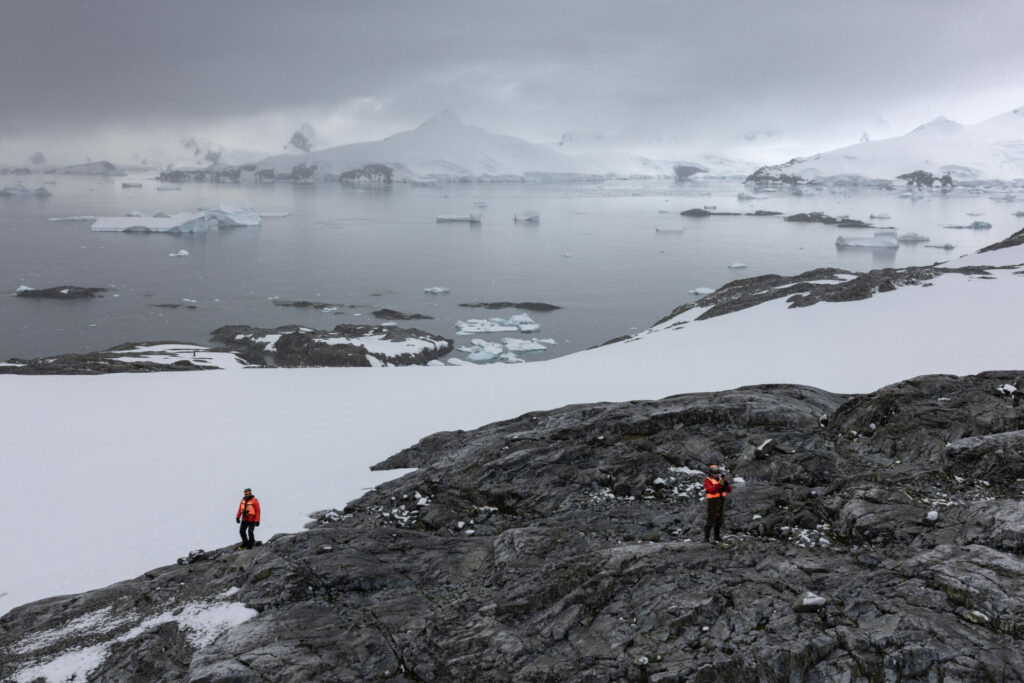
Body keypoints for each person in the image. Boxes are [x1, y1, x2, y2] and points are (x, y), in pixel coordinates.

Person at [703, 465, 732, 543]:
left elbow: (729, 490)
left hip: (721, 501)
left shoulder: (720, 480)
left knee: (720, 520)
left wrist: (726, 483)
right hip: (713, 502)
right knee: (711, 520)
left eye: (717, 472)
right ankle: (706, 538)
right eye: (715, 473)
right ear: (711, 473)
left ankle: (717, 536)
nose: (716, 474)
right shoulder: (707, 481)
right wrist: (720, 484)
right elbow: (711, 490)